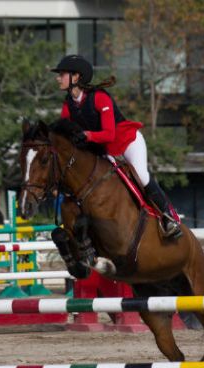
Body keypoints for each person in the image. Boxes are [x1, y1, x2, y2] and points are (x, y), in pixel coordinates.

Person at [50, 54, 182, 238]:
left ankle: (169, 218)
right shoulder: (68, 104)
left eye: (62, 74)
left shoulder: (99, 98)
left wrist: (87, 135)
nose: (58, 78)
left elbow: (109, 134)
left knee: (142, 176)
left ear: (76, 76)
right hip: (104, 150)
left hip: (127, 142)